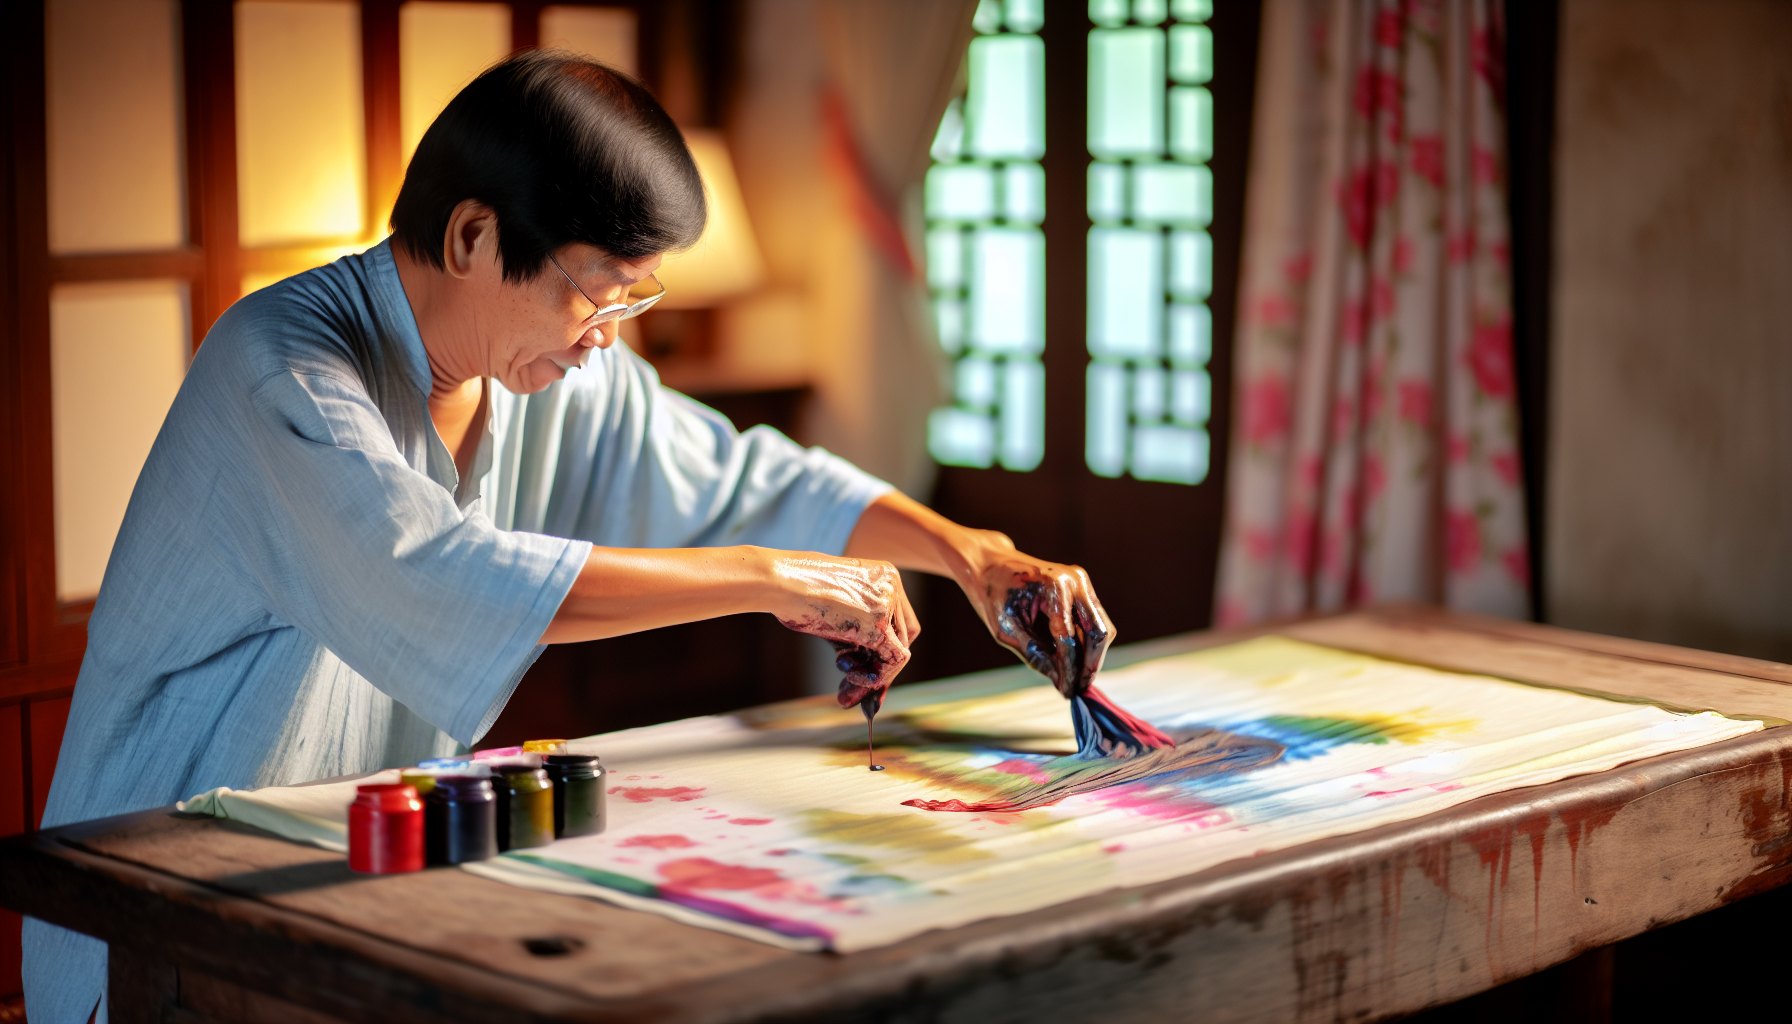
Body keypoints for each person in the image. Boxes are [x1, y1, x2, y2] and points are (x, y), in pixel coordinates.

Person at [22, 50, 1113, 1022]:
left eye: (632, 304)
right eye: (596, 297)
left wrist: (969, 549)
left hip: (334, 879)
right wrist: (763, 578)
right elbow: (438, 578)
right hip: (155, 892)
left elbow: (743, 477)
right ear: (472, 236)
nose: (603, 341)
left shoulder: (543, 370)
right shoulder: (282, 366)